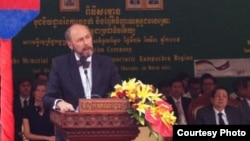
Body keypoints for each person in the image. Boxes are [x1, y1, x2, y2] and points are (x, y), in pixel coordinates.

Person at [43, 24, 121, 141]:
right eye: (80, 40)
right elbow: (48, 97)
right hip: (71, 132)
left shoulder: (107, 63)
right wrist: (59, 103)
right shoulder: (60, 64)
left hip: (103, 131)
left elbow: (120, 93)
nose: (86, 43)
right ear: (70, 45)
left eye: (87, 37)